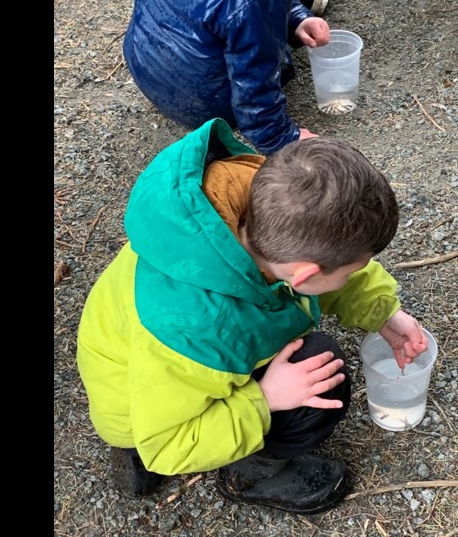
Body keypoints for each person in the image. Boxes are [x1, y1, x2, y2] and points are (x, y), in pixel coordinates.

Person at [76, 118, 428, 514]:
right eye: (349, 272)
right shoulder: (201, 325)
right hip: (152, 418)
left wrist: (385, 314)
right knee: (321, 371)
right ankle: (253, 473)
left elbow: (330, 267)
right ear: (305, 274)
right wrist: (265, 399)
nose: (352, 276)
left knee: (199, 389)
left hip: (152, 376)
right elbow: (166, 447)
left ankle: (145, 449)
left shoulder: (254, 203)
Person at [122, 0, 331, 155]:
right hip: (205, 99)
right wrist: (280, 137)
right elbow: (254, 72)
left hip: (145, 64)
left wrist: (296, 17)